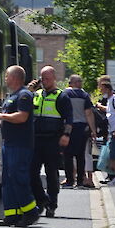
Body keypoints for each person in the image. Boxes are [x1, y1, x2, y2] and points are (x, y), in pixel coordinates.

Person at [0, 65, 39, 226]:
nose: (5, 79)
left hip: (20, 144)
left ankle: (31, 212)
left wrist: (1, 115)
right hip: (9, 144)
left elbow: (22, 117)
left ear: (15, 78)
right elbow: (10, 118)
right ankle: (12, 214)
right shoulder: (12, 96)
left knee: (18, 178)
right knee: (8, 180)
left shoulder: (24, 95)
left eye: (7, 76)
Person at [30, 65, 73, 215]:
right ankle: (42, 198)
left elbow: (69, 119)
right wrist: (29, 91)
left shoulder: (61, 97)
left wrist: (66, 135)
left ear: (54, 78)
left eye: (48, 78)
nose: (45, 81)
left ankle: (52, 204)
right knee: (31, 172)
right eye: (43, 78)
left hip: (53, 140)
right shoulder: (36, 94)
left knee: (51, 173)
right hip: (36, 140)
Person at [61, 74, 97, 189]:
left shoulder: (64, 94)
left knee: (68, 155)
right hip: (82, 128)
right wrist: (93, 129)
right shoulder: (85, 95)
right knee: (80, 155)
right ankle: (80, 181)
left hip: (68, 128)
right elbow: (89, 113)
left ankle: (70, 181)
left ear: (70, 83)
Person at [97, 75, 115, 187]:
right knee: (114, 156)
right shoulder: (109, 100)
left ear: (107, 88)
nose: (101, 91)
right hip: (112, 131)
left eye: (102, 89)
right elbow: (110, 112)